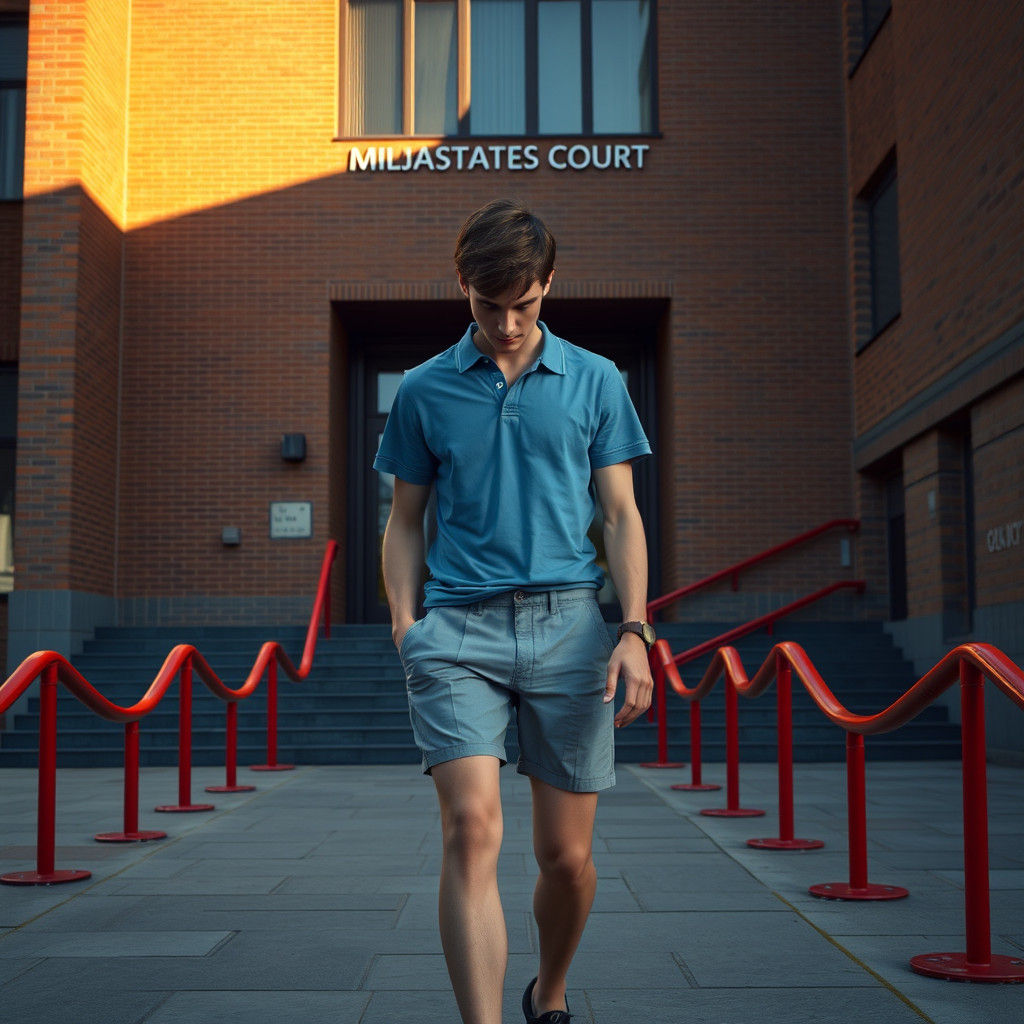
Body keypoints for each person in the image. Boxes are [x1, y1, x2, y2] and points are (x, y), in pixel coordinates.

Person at [374, 199, 655, 1024]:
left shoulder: (597, 379)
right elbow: (404, 521)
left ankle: (551, 992)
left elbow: (621, 515)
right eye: (488, 304)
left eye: (524, 305)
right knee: (472, 828)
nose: (505, 323)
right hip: (457, 632)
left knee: (566, 859)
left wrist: (634, 628)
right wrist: (404, 624)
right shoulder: (424, 390)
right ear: (462, 284)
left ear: (548, 287)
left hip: (571, 626)